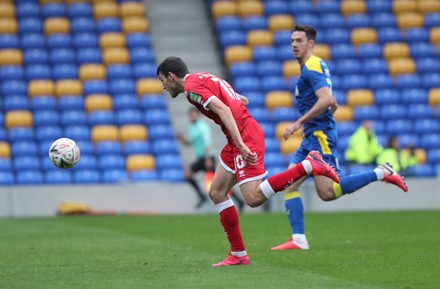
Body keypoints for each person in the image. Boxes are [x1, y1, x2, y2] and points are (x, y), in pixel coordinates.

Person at [157, 56, 340, 266]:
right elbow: (237, 98)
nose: (163, 86)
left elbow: (224, 110)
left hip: (244, 136)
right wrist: (237, 109)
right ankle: (238, 254)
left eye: (162, 80)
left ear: (171, 76)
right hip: (238, 136)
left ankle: (309, 165)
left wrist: (241, 145)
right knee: (216, 192)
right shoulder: (201, 78)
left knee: (252, 198)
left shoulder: (191, 90)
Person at [271, 25, 408, 251]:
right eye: (292, 40)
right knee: (289, 184)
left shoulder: (312, 66)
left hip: (319, 137)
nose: (294, 44)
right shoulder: (313, 66)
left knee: (327, 192)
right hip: (311, 137)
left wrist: (298, 123)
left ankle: (381, 172)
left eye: (299, 41)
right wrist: (321, 120)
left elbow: (326, 100)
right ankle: (298, 238)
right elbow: (333, 103)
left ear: (310, 43)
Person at [177, 107, 245, 210]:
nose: (192, 116)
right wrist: (183, 141)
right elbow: (191, 142)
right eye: (191, 114)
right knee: (187, 174)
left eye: (194, 114)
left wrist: (208, 159)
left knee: (221, 183)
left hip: (208, 158)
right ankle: (201, 196)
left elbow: (207, 143)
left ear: (198, 115)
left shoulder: (203, 127)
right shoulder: (192, 127)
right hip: (201, 159)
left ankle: (238, 200)